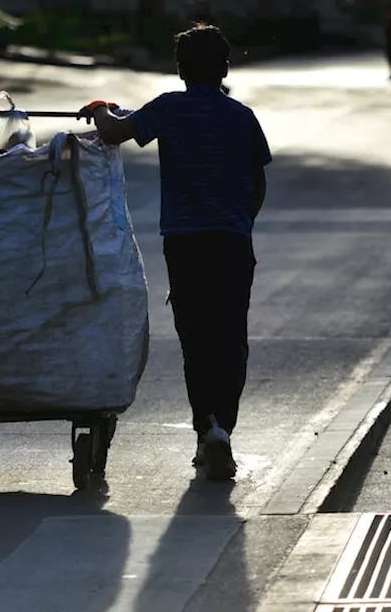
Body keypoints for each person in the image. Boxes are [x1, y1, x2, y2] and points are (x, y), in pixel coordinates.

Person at [78, 24, 271, 481]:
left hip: (184, 242)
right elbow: (258, 181)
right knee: (230, 338)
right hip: (232, 241)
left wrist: (100, 107)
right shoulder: (242, 116)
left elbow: (111, 133)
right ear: (225, 68)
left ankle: (205, 427)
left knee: (196, 338)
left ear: (180, 69)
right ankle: (222, 427)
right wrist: (241, 221)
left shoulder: (169, 109)